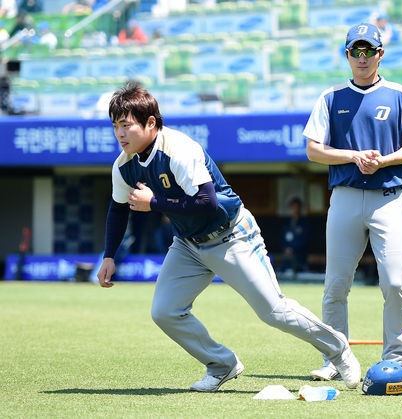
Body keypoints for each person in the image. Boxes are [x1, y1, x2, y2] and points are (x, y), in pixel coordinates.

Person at [96, 81, 361, 392]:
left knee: (274, 312)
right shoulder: (123, 166)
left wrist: (154, 203)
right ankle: (222, 364)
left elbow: (207, 203)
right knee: (164, 312)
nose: (120, 133)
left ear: (151, 123)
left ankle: (338, 349)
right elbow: (118, 209)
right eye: (115, 126)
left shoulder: (178, 150)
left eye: (126, 125)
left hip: (232, 236)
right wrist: (109, 255)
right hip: (187, 245)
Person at [303, 23, 402, 381]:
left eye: (369, 50)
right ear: (347, 55)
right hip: (344, 196)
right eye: (356, 51)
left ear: (380, 54)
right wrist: (353, 156)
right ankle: (335, 360)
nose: (363, 57)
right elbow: (313, 150)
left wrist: (384, 161)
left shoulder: (400, 95)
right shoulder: (330, 97)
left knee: (395, 282)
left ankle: (396, 359)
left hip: (389, 197)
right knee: (336, 285)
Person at [279, 196, 310, 275]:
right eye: (293, 207)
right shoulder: (287, 224)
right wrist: (285, 248)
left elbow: (305, 240)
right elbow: (282, 240)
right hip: (286, 257)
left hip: (300, 257)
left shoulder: (304, 224)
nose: (295, 209)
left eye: (297, 207)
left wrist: (292, 249)